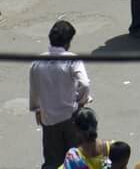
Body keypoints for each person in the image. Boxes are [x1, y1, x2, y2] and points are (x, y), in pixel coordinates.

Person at [31, 20, 92, 169]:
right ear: (68, 41)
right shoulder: (72, 60)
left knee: (53, 161)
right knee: (75, 160)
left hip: (49, 119)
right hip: (70, 117)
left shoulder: (37, 63)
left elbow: (34, 90)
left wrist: (38, 110)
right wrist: (81, 102)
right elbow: (84, 83)